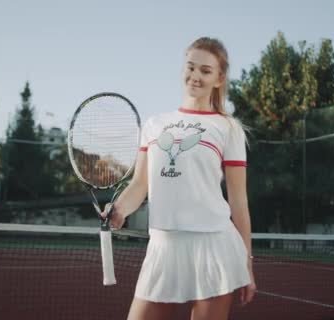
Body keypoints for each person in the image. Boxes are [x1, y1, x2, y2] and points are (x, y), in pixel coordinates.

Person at [101, 36, 256, 320]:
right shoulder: (154, 125)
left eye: (205, 71)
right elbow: (139, 184)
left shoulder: (228, 128)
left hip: (214, 247)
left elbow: (238, 201)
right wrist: (119, 210)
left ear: (219, 79)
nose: (195, 76)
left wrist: (247, 262)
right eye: (191, 67)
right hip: (163, 247)